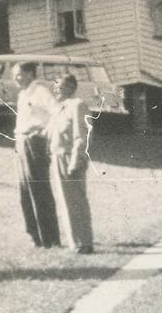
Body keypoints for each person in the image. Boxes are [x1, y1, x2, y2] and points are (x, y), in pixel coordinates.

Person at [14, 63, 61, 248]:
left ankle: (49, 238)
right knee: (25, 191)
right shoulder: (22, 94)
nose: (16, 78)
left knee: (39, 190)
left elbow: (57, 112)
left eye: (19, 74)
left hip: (35, 143)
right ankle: (35, 238)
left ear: (30, 74)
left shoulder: (40, 91)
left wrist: (42, 132)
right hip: (21, 142)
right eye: (15, 75)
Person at [47, 73, 95, 254]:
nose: (55, 89)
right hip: (58, 157)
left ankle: (84, 243)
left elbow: (81, 137)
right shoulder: (59, 108)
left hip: (70, 159)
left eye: (59, 86)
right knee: (66, 202)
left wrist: (76, 161)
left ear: (70, 88)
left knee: (75, 201)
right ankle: (75, 242)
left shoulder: (78, 106)